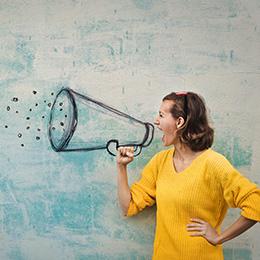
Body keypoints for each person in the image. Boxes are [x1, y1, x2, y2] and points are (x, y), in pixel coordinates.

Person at [116, 91, 260, 260]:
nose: (156, 121)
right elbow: (128, 206)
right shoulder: (160, 162)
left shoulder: (215, 164)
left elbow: (255, 205)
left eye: (161, 115)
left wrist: (218, 238)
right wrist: (121, 167)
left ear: (179, 122)